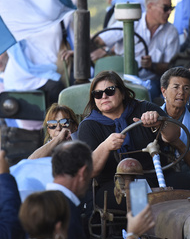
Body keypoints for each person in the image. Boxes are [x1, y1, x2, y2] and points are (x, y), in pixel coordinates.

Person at [78, 70, 181, 210]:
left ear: (122, 92)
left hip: (156, 176)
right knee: (136, 198)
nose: (103, 96)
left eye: (110, 91)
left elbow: (174, 135)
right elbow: (90, 170)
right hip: (114, 184)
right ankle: (139, 229)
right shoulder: (88, 126)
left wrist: (160, 123)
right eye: (98, 94)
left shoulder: (145, 108)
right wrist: (105, 146)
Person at [96, 0, 180, 100]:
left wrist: (152, 66)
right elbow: (99, 40)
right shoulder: (129, 23)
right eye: (166, 8)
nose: (169, 12)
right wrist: (81, 50)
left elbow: (171, 67)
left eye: (171, 8)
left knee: (145, 95)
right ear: (150, 6)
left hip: (150, 81)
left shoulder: (171, 32)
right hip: (120, 78)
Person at [47, 141, 93, 239]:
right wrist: (131, 236)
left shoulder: (36, 200)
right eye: (90, 174)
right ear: (83, 172)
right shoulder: (67, 211)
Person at [159, 67, 190, 174]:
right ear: (164, 92)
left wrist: (177, 142)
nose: (181, 92)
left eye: (186, 88)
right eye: (176, 87)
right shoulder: (152, 119)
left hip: (189, 181)